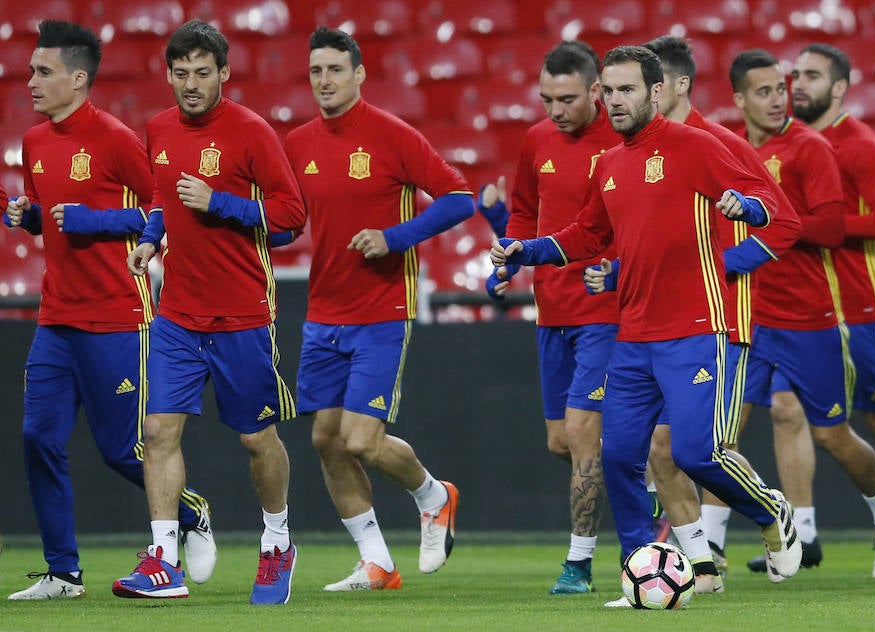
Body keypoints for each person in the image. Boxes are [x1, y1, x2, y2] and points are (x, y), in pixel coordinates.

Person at [491, 45, 803, 589]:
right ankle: (645, 575)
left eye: (627, 89)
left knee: (694, 452)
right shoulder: (609, 163)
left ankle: (771, 510)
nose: (615, 101)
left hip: (697, 329)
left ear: (657, 93)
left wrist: (740, 228)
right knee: (618, 457)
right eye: (608, 91)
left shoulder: (694, 146)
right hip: (633, 334)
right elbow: (589, 235)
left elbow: (772, 208)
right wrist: (530, 250)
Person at [3, 20, 216, 601]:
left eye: (43, 72)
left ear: (78, 78)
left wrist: (94, 220)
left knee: (125, 451)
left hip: (120, 317)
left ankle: (191, 512)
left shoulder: (119, 139)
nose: (31, 82)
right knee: (37, 438)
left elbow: (161, 207)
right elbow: (49, 216)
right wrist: (27, 214)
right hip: (56, 317)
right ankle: (63, 573)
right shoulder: (35, 142)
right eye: (29, 72)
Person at [112, 19, 307, 604]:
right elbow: (161, 196)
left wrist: (221, 202)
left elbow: (292, 216)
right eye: (181, 73)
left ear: (224, 73)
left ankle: (277, 542)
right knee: (157, 432)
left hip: (244, 314)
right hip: (177, 314)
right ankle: (163, 560)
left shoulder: (252, 132)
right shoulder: (158, 128)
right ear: (168, 75)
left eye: (202, 72)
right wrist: (150, 234)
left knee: (257, 441)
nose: (191, 84)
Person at [284, 27, 472, 591]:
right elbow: (284, 218)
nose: (324, 80)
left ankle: (433, 495)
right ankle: (377, 563)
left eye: (335, 70)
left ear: (359, 74)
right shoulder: (297, 144)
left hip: (382, 309)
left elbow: (459, 197)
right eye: (316, 71)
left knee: (360, 439)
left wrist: (395, 237)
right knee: (324, 439)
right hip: (323, 311)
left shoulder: (393, 136)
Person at [630, 34, 802, 586]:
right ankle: (702, 566)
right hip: (655, 325)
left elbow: (785, 219)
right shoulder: (637, 149)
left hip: (718, 320)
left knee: (703, 448)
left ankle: (774, 514)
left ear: (675, 85)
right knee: (662, 449)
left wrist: (733, 260)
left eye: (646, 86)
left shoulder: (717, 142)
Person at [729, 48, 875, 579]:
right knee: (784, 412)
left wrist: (793, 222)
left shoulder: (858, 147)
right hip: (796, 308)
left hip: (863, 305)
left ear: (842, 88)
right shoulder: (782, 145)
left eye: (810, 77)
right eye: (792, 76)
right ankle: (802, 533)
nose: (795, 87)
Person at [478, 40, 622, 595]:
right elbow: (521, 209)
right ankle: (645, 488)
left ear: (595, 92)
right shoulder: (536, 140)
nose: (555, 111)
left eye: (566, 99)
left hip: (605, 309)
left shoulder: (621, 140)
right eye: (546, 99)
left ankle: (579, 563)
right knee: (561, 443)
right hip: (551, 308)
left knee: (584, 432)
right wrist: (507, 260)